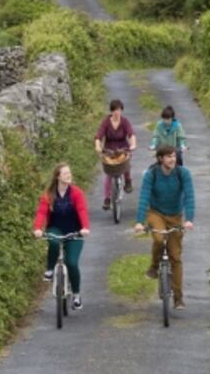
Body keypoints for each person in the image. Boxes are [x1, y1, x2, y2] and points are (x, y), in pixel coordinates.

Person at [134, 145, 195, 310]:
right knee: (159, 238)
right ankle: (154, 266)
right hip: (156, 214)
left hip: (176, 216)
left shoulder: (183, 173)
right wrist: (139, 222)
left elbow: (189, 196)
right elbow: (144, 197)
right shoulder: (152, 174)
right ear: (160, 158)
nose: (172, 159)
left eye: (174, 156)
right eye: (168, 156)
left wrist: (189, 219)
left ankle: (178, 298)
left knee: (175, 257)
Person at [33, 163, 90, 310]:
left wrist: (85, 227)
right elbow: (41, 212)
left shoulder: (76, 193)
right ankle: (50, 269)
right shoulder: (49, 194)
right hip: (56, 228)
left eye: (69, 173)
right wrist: (37, 228)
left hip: (75, 231)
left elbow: (82, 210)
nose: (68, 175)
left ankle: (76, 295)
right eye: (65, 173)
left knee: (72, 263)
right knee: (53, 242)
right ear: (58, 177)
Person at [95, 98, 137, 211]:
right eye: (114, 110)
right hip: (109, 150)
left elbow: (131, 134)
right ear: (111, 111)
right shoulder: (106, 122)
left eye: (119, 110)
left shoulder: (125, 121)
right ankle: (107, 198)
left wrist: (133, 144)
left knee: (126, 161)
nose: (117, 112)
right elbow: (99, 136)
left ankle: (128, 180)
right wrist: (98, 146)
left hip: (123, 148)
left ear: (121, 110)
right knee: (109, 173)